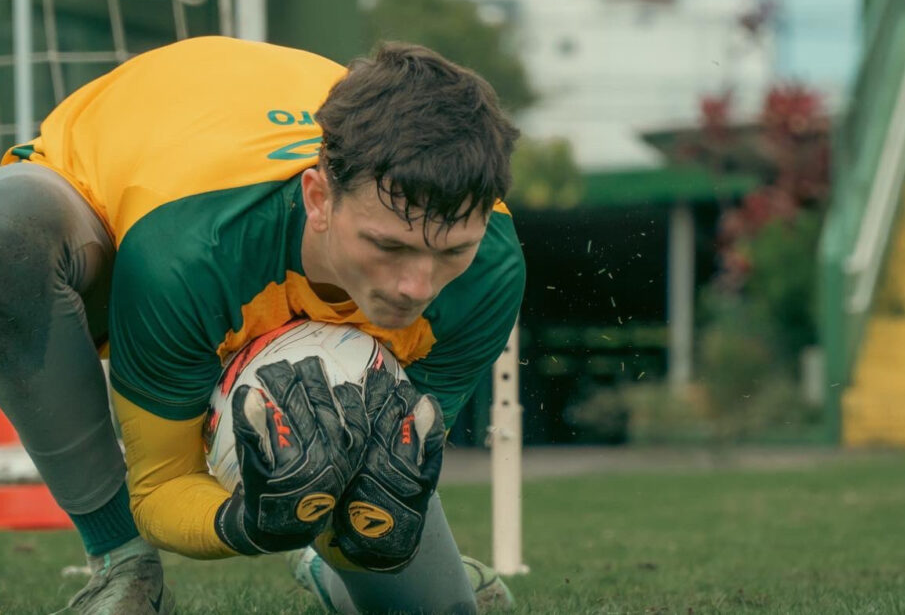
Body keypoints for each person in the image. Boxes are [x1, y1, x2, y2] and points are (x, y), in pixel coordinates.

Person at [0, 36, 524, 614]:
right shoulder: (186, 252)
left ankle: (317, 561)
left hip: (217, 235)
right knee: (11, 234)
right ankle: (120, 563)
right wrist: (246, 524)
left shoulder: (491, 271)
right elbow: (162, 488)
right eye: (387, 246)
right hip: (132, 208)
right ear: (319, 198)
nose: (418, 287)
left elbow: (393, 474)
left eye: (451, 252)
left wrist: (351, 518)